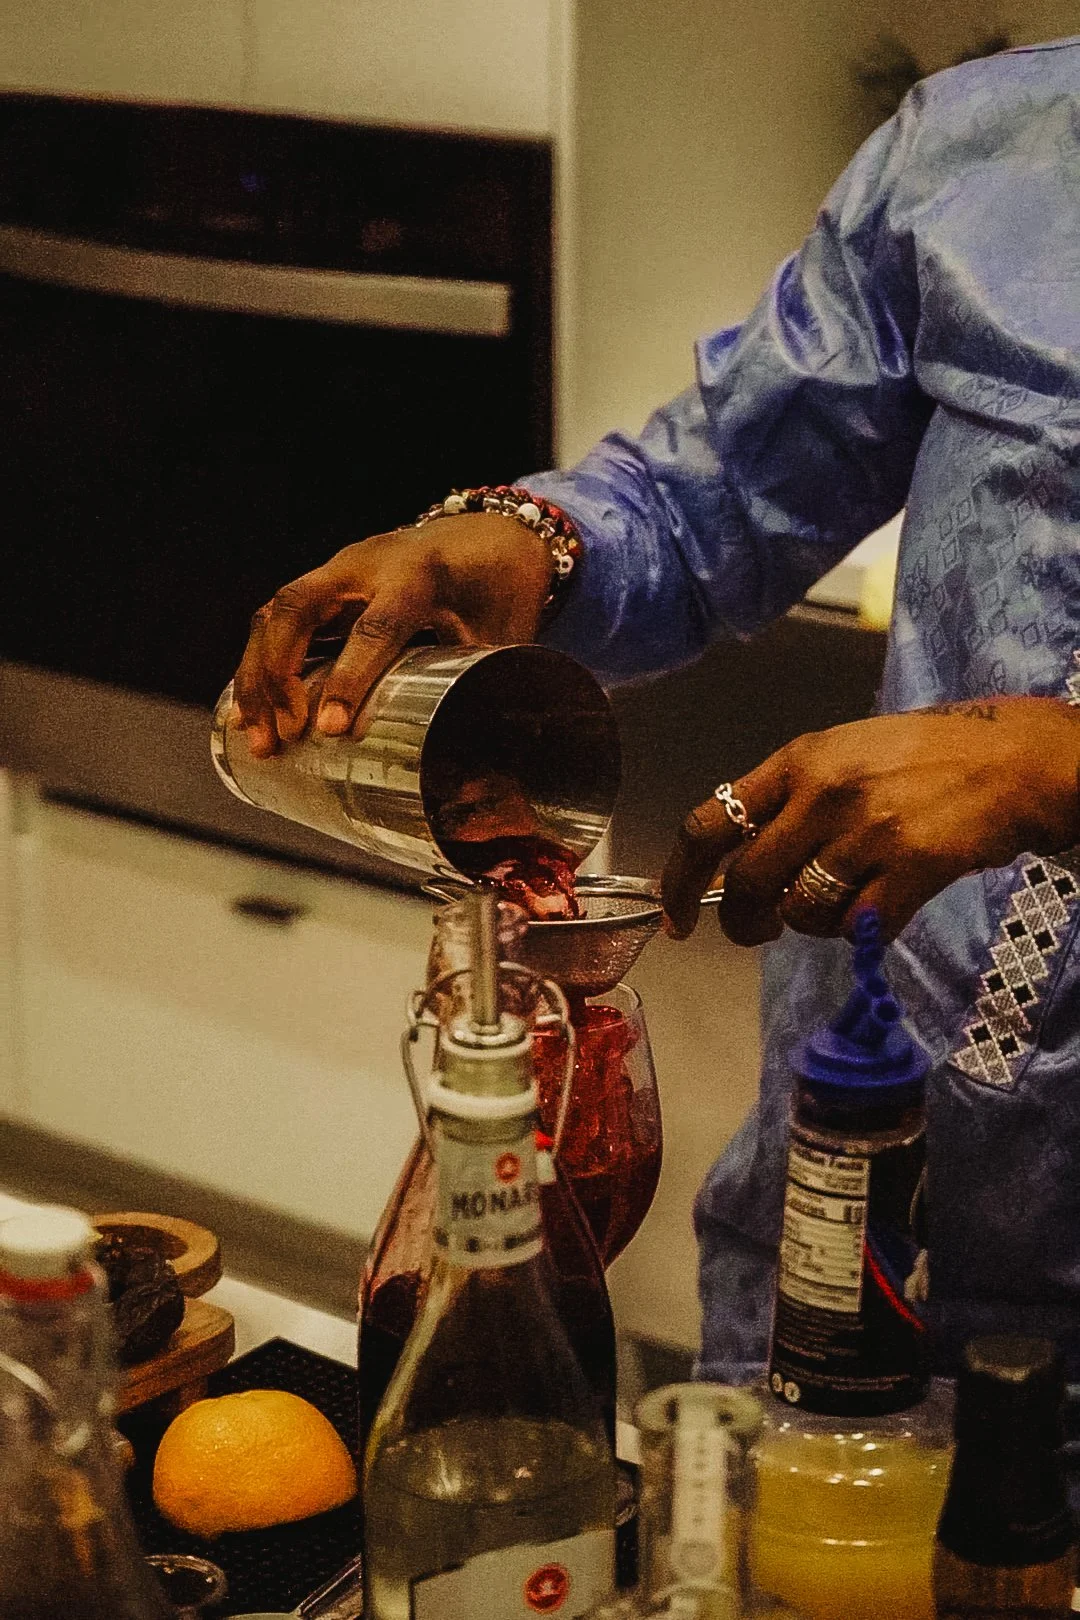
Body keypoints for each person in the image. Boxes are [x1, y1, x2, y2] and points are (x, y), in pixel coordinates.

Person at [233, 38, 1080, 1379]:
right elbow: (715, 499)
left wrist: (1064, 769)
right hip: (845, 1214)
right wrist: (524, 544)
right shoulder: (998, 145)